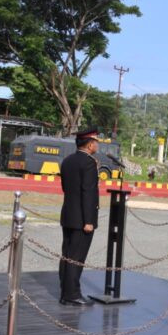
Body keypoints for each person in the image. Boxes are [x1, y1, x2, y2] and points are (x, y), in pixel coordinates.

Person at [58, 128, 101, 306]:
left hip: (69, 214)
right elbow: (88, 193)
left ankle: (65, 292)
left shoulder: (68, 160)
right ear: (90, 145)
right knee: (76, 258)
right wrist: (89, 221)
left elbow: (66, 188)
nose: (97, 145)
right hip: (82, 219)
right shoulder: (89, 163)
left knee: (67, 255)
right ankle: (73, 294)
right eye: (96, 142)